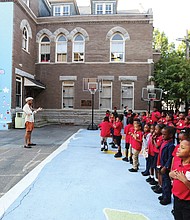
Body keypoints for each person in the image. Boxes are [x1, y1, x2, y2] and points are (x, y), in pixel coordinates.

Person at [169, 139, 190, 220]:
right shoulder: (177, 162)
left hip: (187, 203)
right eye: (179, 146)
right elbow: (172, 175)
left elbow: (183, 180)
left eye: (182, 148)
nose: (178, 149)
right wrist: (170, 174)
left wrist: (184, 181)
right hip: (176, 199)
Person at [157, 126, 175, 205]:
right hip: (161, 164)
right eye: (162, 134)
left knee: (166, 183)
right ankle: (164, 194)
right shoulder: (164, 142)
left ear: (170, 135)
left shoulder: (171, 145)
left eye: (164, 134)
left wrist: (166, 167)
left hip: (166, 167)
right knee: (163, 182)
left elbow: (170, 158)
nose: (162, 136)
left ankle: (167, 198)